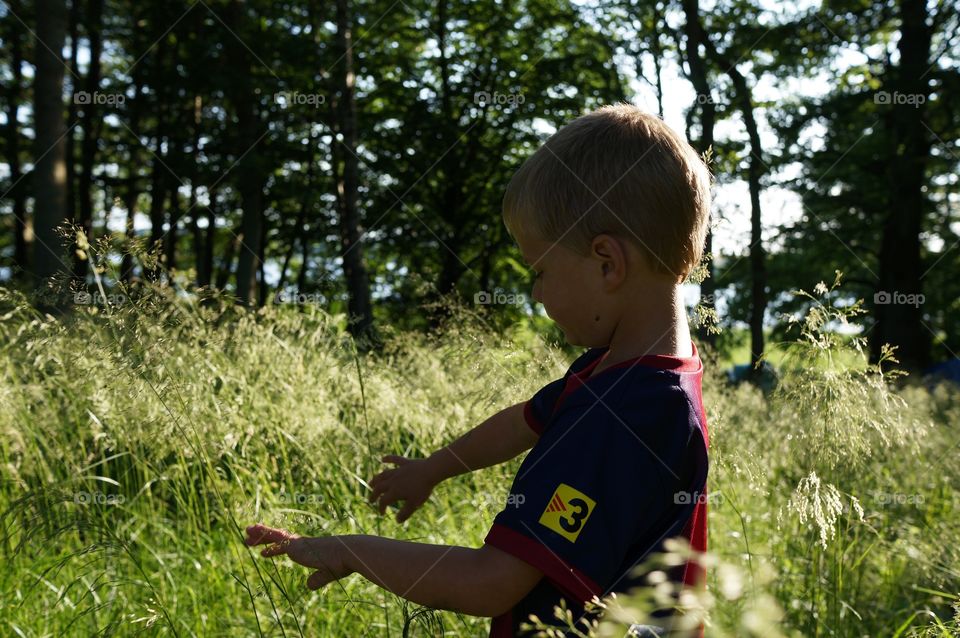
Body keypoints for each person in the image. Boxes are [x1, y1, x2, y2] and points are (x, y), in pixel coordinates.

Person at [245, 102, 712, 637]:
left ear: (607, 262)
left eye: (541, 270)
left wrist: (350, 550)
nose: (536, 293)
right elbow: (524, 420)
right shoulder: (637, 373)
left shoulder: (623, 414)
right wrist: (432, 468)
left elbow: (489, 583)